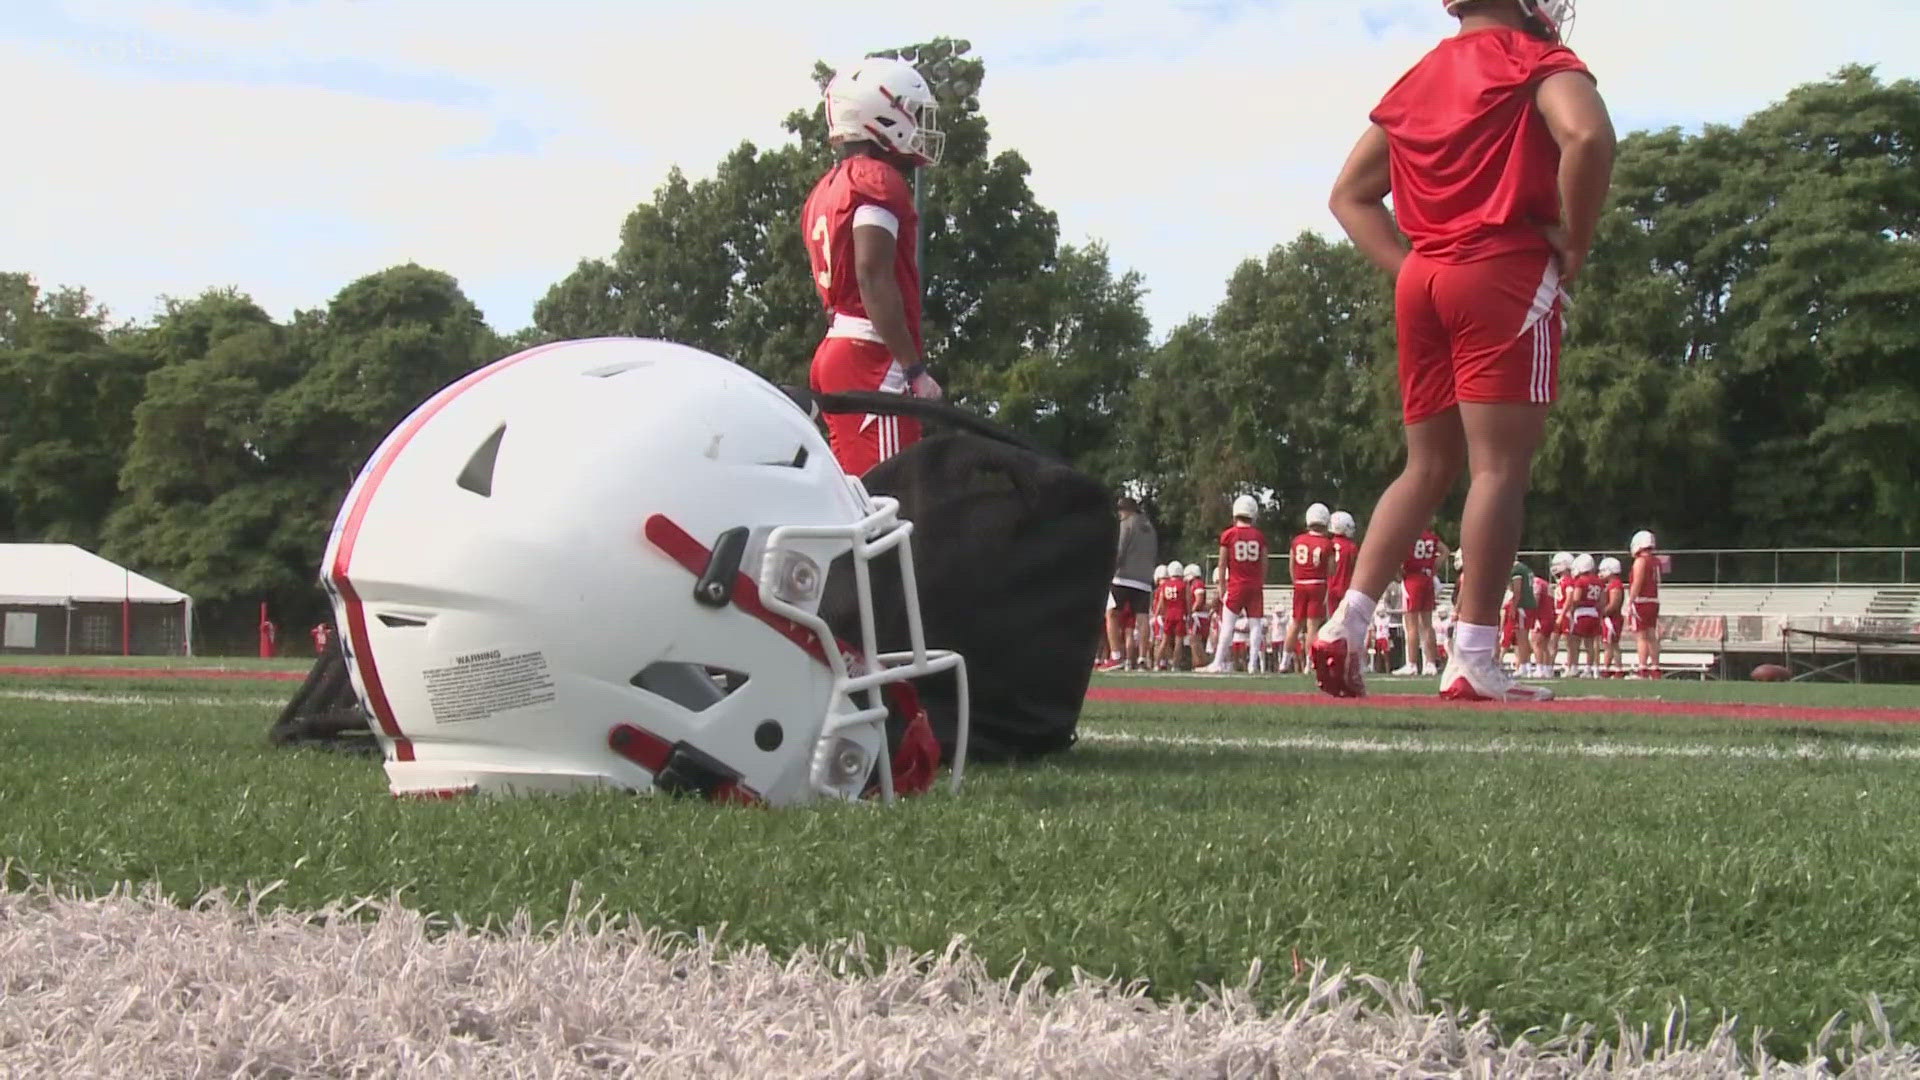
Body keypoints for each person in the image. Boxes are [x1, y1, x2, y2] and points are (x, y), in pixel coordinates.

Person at [1313, 0, 1612, 702]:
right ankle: (1473, 652)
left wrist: (1417, 269)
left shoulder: (1417, 79)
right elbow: (1588, 135)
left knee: (1428, 466)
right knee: (1498, 468)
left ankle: (1346, 622)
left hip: (1426, 279)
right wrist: (1577, 240)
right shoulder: (1535, 61)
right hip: (1502, 265)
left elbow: (1349, 196)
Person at [801, 57, 946, 477]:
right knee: (891, 502)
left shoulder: (826, 189)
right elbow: (871, 273)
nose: (919, 126)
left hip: (839, 347)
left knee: (857, 498)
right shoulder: (876, 180)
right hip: (872, 357)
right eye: (912, 113)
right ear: (881, 112)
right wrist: (913, 367)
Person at [1205, 495, 1270, 673]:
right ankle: (1253, 664)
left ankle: (1218, 661)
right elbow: (1265, 562)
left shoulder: (1229, 534)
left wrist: (1221, 587)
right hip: (1254, 585)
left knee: (1227, 625)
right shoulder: (1259, 536)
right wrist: (1260, 582)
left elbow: (1222, 563)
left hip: (1236, 584)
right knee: (1255, 624)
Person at [1100, 497, 1158, 671]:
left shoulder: (1126, 525)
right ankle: (1142, 658)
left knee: (1111, 613)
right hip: (1144, 578)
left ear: (1124, 510)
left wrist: (1109, 570)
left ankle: (1116, 656)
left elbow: (1120, 550)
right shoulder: (1150, 528)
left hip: (1123, 577)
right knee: (1142, 618)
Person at [1282, 503, 1336, 674]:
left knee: (1296, 623)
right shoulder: (1327, 544)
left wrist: (1296, 581)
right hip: (1317, 584)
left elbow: (1291, 564)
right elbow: (1331, 569)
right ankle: (1309, 664)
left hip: (1300, 583)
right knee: (1313, 627)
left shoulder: (1297, 541)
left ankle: (1284, 661)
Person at [1395, 528, 1451, 676]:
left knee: (1411, 625)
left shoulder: (1409, 535)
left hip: (1412, 579)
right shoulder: (1431, 537)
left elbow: (1397, 558)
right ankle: (1431, 664)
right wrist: (1434, 565)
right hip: (1427, 579)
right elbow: (1445, 551)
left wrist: (1400, 573)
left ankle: (1412, 664)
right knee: (1427, 625)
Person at [1627, 529, 1662, 678]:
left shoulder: (1641, 561)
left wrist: (1630, 600)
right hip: (1653, 600)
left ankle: (1642, 667)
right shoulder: (1656, 561)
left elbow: (1637, 581)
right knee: (1651, 635)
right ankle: (1655, 667)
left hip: (1642, 600)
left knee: (1641, 636)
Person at [1567, 553, 1604, 677]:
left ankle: (1574, 667)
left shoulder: (1580, 581)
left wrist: (1571, 608)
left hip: (1581, 613)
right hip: (1593, 613)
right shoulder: (1599, 582)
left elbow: (1576, 599)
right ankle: (1589, 669)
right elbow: (1602, 601)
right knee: (1590, 644)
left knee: (1574, 642)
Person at [1327, 509, 1361, 625]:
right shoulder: (1351, 547)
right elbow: (1355, 567)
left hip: (1330, 589)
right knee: (1346, 623)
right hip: (1345, 588)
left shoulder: (1328, 543)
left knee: (1332, 623)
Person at [1154, 562, 1188, 671]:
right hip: (1180, 614)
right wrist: (1190, 614)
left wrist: (1158, 614)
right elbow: (1188, 601)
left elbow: (1161, 602)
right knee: (1178, 641)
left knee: (1164, 640)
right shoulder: (1184, 585)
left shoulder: (1164, 585)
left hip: (1168, 614)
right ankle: (1175, 665)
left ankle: (1157, 664)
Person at [1599, 555, 1626, 677]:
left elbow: (1614, 604)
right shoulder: (1613, 584)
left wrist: (1602, 613)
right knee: (1610, 644)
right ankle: (1612, 668)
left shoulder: (1615, 585)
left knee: (1610, 645)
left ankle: (1611, 668)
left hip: (1612, 619)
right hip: (1611, 618)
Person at [1185, 563, 1213, 671]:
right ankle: (1198, 663)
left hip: (1198, 616)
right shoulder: (1196, 584)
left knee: (1195, 640)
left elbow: (1199, 600)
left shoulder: (1197, 584)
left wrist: (1191, 612)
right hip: (1199, 615)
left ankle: (1200, 664)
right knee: (1195, 640)